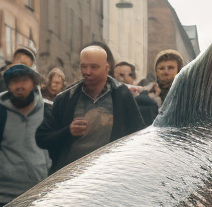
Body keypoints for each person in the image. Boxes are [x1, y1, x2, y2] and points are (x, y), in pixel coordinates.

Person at [35, 45, 146, 173]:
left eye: (94, 67)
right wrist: (68, 131)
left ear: (106, 68)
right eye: (84, 66)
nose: (87, 72)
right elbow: (42, 138)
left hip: (110, 176)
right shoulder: (66, 98)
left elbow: (138, 136)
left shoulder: (121, 95)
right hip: (72, 177)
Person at [0, 63, 51, 207]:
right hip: (2, 199)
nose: (19, 86)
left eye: (24, 81)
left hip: (40, 198)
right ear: (8, 86)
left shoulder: (48, 112)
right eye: (14, 82)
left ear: (34, 83)